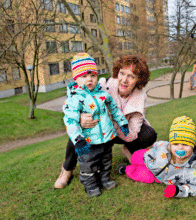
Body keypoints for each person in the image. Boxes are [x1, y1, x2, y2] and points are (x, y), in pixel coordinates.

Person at [54, 55, 157, 189]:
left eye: (132, 76)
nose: (124, 80)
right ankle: (67, 170)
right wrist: (80, 119)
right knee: (77, 131)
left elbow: (132, 133)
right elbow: (71, 105)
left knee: (148, 134)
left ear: (139, 80)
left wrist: (112, 126)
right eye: (122, 73)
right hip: (96, 128)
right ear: (117, 72)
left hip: (121, 131)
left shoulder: (140, 97)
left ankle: (130, 151)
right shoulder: (102, 85)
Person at [62, 52, 129, 197]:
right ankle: (90, 185)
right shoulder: (75, 98)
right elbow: (70, 120)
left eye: (92, 75)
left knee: (106, 161)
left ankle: (105, 179)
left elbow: (114, 109)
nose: (89, 80)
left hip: (105, 138)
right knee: (88, 164)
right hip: (87, 141)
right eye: (84, 76)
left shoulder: (102, 93)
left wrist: (122, 122)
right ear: (76, 78)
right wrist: (78, 140)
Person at [117, 116, 196, 198]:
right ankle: (129, 156)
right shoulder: (165, 146)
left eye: (185, 144)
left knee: (137, 174)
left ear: (192, 146)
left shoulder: (191, 172)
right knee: (135, 157)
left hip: (155, 176)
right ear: (171, 144)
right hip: (148, 156)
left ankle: (126, 169)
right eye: (176, 144)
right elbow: (157, 144)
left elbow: (195, 187)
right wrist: (153, 148)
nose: (180, 148)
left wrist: (177, 191)